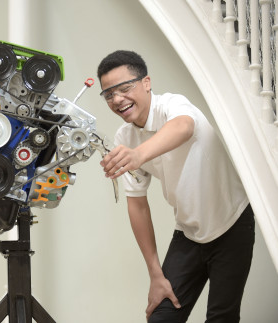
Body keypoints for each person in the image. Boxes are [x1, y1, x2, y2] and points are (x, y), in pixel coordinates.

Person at [97, 50, 254, 322]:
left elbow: (183, 127)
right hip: (188, 233)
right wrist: (155, 274)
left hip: (232, 223)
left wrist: (138, 155)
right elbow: (137, 206)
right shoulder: (125, 137)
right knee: (161, 318)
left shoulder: (172, 105)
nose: (117, 99)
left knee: (222, 317)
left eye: (124, 88)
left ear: (146, 83)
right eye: (109, 94)